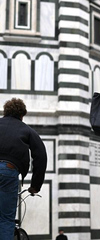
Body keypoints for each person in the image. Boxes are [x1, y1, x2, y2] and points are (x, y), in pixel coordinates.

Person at [0, 98, 47, 239]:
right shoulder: (27, 130)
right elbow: (41, 156)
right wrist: (35, 186)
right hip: (8, 172)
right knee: (5, 219)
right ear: (22, 115)